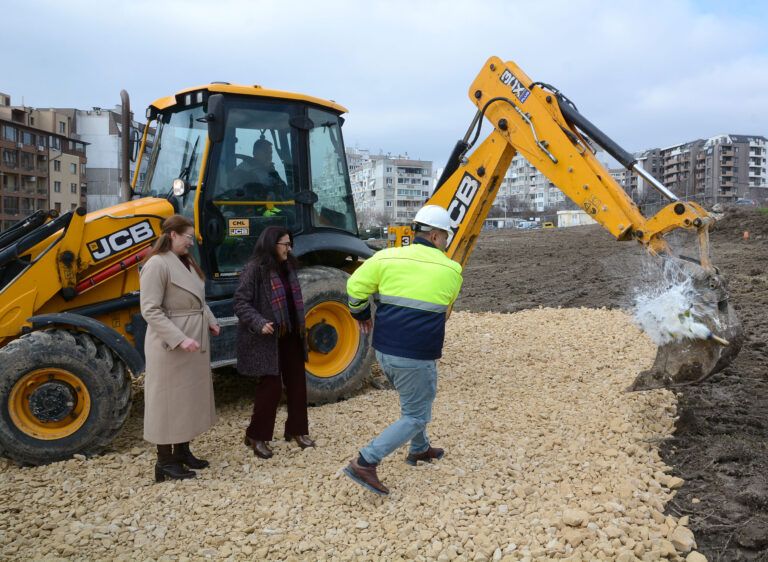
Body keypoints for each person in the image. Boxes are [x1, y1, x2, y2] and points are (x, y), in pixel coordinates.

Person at [343, 205, 463, 495]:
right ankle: (366, 461)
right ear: (435, 236)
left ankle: (420, 449)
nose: (446, 242)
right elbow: (445, 305)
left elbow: (355, 287)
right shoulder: (452, 269)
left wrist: (361, 315)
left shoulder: (385, 257)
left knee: (418, 400)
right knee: (416, 415)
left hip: (384, 351)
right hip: (416, 355)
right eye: (445, 236)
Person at [140, 215, 221, 482]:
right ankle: (164, 461)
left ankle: (183, 451)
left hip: (192, 339)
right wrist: (178, 338)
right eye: (187, 236)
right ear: (172, 235)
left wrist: (210, 320)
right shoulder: (156, 264)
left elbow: (198, 299)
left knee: (187, 400)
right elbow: (150, 309)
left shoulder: (185, 263)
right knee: (167, 403)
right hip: (170, 345)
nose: (191, 241)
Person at [233, 226, 314, 459]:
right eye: (285, 244)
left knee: (298, 385)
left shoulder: (289, 266)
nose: (289, 248)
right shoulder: (254, 270)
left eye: (290, 244)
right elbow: (240, 303)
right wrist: (259, 322)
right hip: (266, 338)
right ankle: (256, 436)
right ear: (271, 244)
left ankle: (298, 430)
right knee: (271, 388)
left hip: (290, 334)